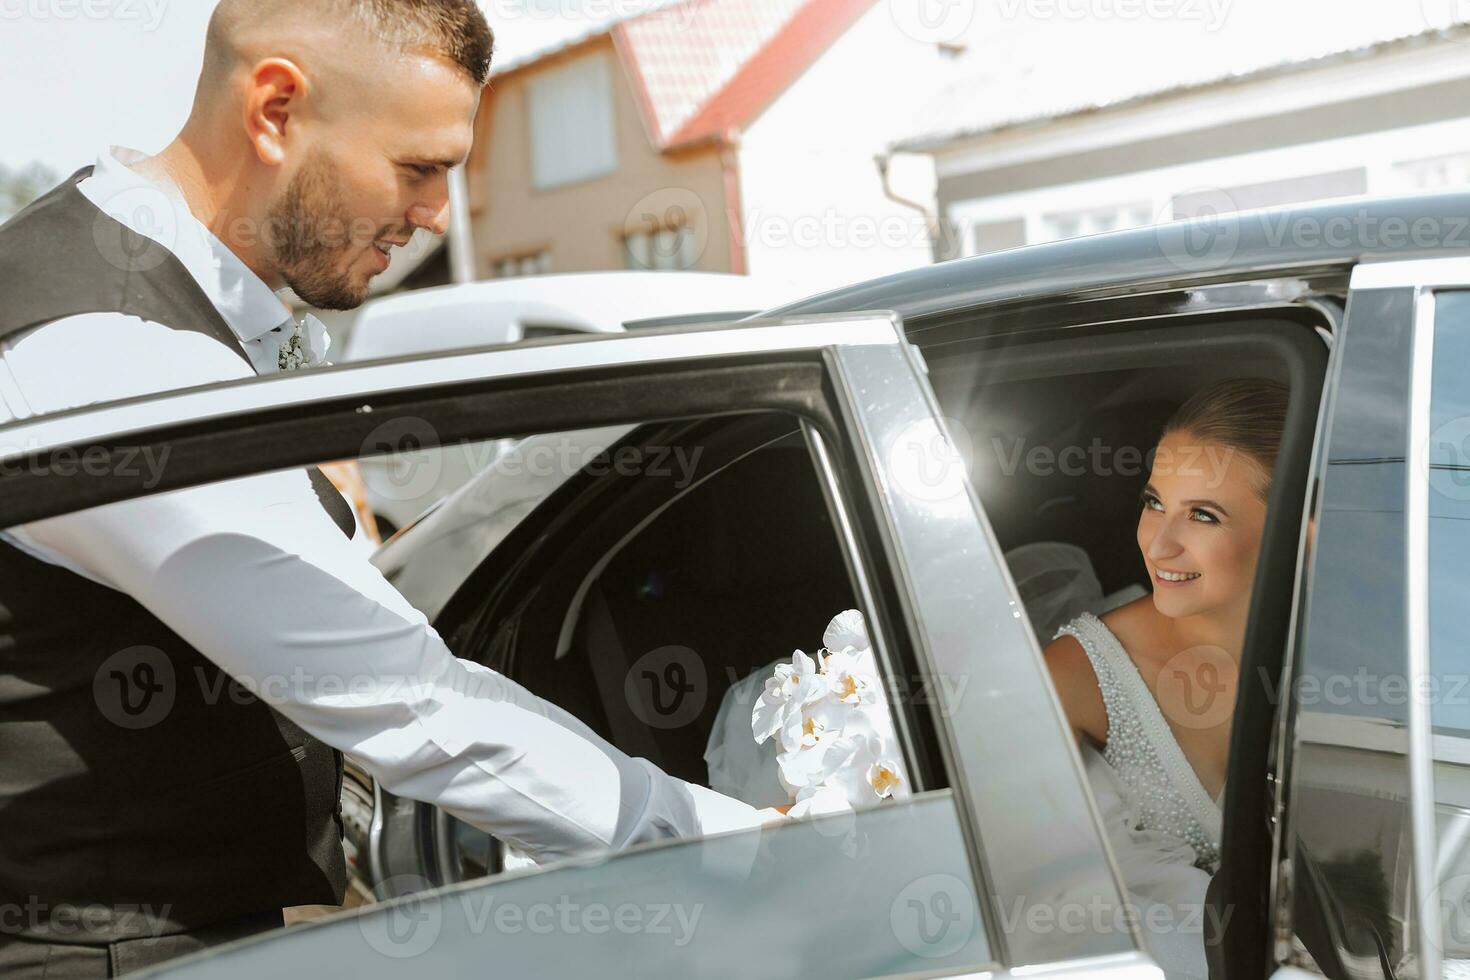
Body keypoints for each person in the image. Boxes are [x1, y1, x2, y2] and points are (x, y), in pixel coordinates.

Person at [0, 3, 774, 975]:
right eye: (419, 167)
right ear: (276, 109)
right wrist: (739, 850)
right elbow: (405, 697)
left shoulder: (193, 307)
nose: (436, 215)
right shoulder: (109, 349)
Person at [1043, 377, 1289, 980]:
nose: (1158, 542)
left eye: (1202, 515)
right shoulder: (1077, 677)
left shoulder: (1363, 658)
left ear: (1297, 529)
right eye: (1154, 502)